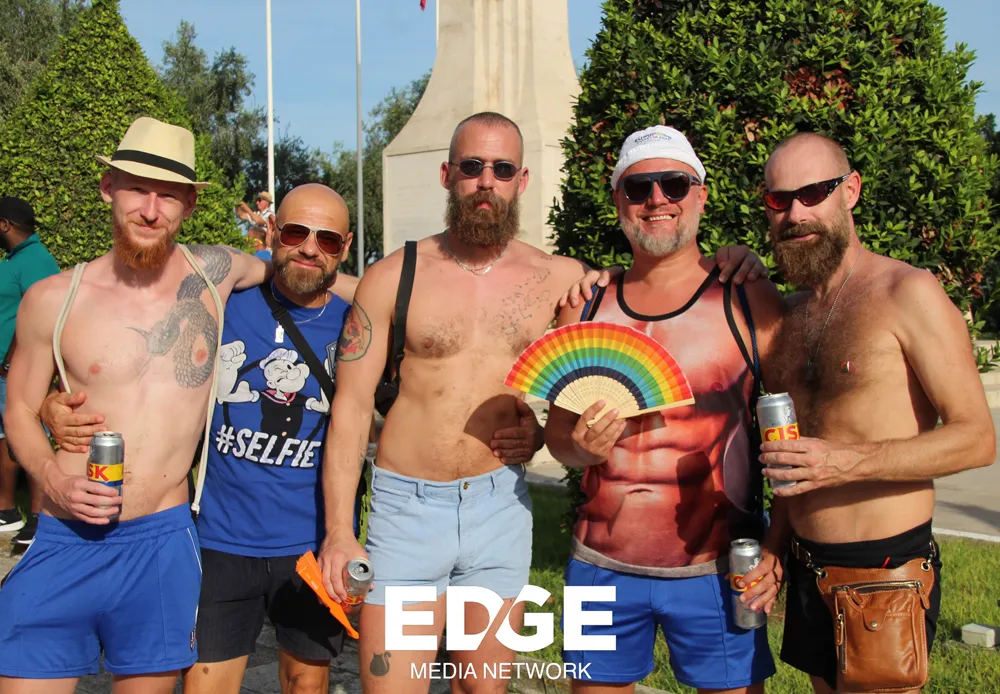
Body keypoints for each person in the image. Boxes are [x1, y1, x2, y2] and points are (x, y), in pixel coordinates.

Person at [316, 113, 768, 694]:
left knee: (483, 687)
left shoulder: (565, 281)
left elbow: (602, 339)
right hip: (408, 512)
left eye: (502, 169)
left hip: (497, 509)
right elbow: (351, 410)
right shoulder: (392, 276)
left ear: (522, 180)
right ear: (447, 174)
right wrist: (339, 531)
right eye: (472, 166)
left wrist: (541, 433)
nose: (486, 181)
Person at [36, 181, 530, 694]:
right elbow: (142, 366)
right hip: (221, 540)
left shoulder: (360, 322)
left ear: (346, 245)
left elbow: (433, 391)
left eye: (328, 240)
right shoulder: (222, 303)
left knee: (306, 685)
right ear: (272, 230)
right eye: (295, 232)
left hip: (312, 543)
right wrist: (54, 402)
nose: (310, 248)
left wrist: (525, 428)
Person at [0, 116, 271, 694]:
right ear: (108, 188)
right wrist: (51, 474)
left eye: (168, 195)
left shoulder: (215, 273)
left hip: (160, 545)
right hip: (64, 535)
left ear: (189, 205)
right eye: (137, 190)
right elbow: (18, 409)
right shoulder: (53, 298)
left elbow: (304, 273)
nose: (150, 210)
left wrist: (388, 293)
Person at [743, 132, 995, 694]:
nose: (796, 214)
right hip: (807, 566)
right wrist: (775, 547)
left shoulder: (907, 291)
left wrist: (845, 462)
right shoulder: (789, 315)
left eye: (813, 193)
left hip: (884, 573)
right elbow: (794, 460)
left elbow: (977, 438)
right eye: (779, 200)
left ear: (851, 190)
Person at [543, 125, 785, 694]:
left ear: (700, 195)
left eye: (673, 184)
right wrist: (581, 447)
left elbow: (792, 437)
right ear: (618, 201)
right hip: (599, 564)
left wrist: (776, 549)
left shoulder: (747, 297)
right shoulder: (585, 306)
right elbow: (557, 438)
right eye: (638, 187)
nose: (656, 199)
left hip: (719, 567)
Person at [0, 197, 60, 546]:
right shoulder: (12, 259)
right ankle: (7, 511)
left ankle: (39, 519)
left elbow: (40, 315)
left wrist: (11, 360)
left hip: (19, 369)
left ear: (5, 225)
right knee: (6, 438)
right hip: (4, 370)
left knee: (30, 437)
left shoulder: (37, 260)